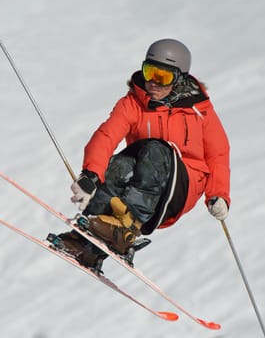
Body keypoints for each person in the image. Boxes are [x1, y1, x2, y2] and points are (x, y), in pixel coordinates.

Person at [48, 38, 230, 272]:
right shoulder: (133, 103)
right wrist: (91, 175)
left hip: (180, 188)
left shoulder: (199, 111)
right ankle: (85, 243)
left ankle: (126, 229)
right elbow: (106, 136)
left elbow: (218, 154)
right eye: (149, 71)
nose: (153, 82)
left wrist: (218, 195)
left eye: (162, 76)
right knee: (121, 164)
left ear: (179, 78)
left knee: (156, 148)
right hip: (144, 180)